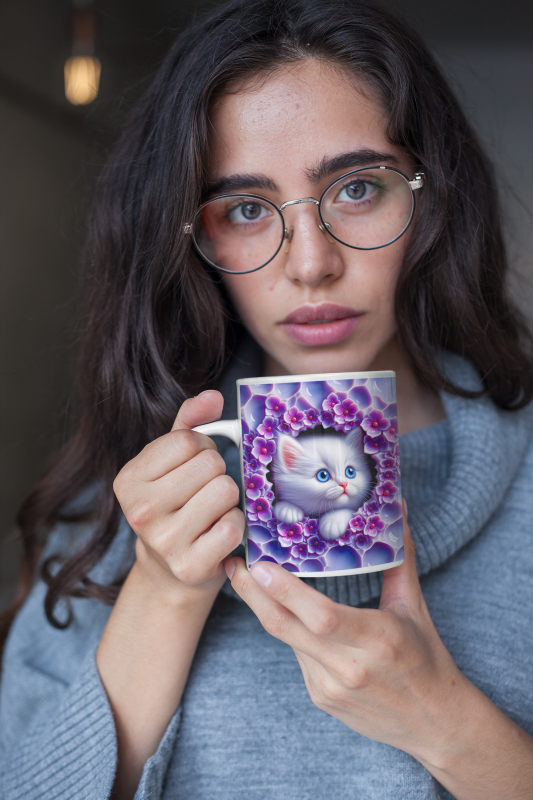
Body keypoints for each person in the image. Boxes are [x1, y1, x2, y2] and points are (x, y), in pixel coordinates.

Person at [1, 1, 533, 798]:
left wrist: (445, 722)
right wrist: (162, 591)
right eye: (246, 211)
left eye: (357, 189)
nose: (309, 263)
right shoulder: (115, 504)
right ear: (192, 239)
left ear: (431, 199)